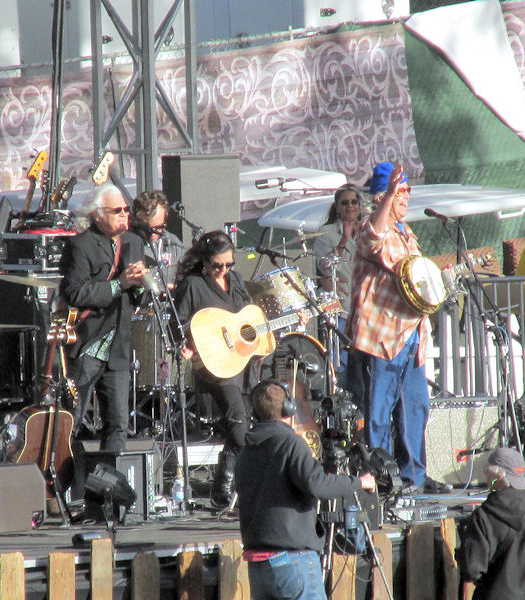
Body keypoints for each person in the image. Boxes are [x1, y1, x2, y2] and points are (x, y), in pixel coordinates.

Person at [346, 161, 443, 493]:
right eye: (400, 192)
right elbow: (375, 236)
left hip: (411, 333)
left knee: (414, 407)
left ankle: (414, 476)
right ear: (380, 197)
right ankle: (381, 479)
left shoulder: (406, 232)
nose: (406, 198)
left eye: (405, 192)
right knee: (378, 410)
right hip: (382, 337)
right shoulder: (367, 229)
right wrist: (387, 194)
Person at [236, 378, 376, 600]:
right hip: (291, 560)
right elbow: (316, 484)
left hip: (257, 564)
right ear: (288, 409)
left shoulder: (247, 449)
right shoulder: (290, 443)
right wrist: (358, 482)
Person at [59, 183, 147, 453]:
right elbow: (74, 291)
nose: (124, 215)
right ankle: (61, 481)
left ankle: (111, 484)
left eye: (126, 210)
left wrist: (141, 285)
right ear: (98, 215)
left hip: (117, 346)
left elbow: (138, 299)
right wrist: (118, 284)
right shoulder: (80, 245)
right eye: (117, 210)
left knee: (118, 423)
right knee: (70, 419)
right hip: (87, 345)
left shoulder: (133, 242)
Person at [174, 230, 255, 507]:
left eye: (228, 264)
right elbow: (179, 322)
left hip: (242, 363)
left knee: (244, 421)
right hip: (214, 364)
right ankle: (238, 486)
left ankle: (223, 485)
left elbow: (249, 315)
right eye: (217, 265)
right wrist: (189, 342)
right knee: (239, 424)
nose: (223, 270)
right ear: (205, 262)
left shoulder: (234, 280)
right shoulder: (193, 284)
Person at [456, 448, 525, 600]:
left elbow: (472, 570)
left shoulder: (484, 516)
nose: (485, 475)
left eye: (487, 470)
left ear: (498, 475)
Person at [313, 183, 364, 380]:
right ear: (337, 207)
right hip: (342, 308)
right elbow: (325, 266)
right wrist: (344, 239)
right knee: (341, 364)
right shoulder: (325, 233)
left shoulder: (368, 230)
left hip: (364, 308)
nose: (350, 206)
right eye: (345, 203)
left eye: (354, 202)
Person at [122, 189, 184, 288]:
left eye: (159, 227)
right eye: (147, 228)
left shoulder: (173, 243)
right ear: (136, 221)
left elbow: (186, 275)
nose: (153, 234)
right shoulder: (126, 244)